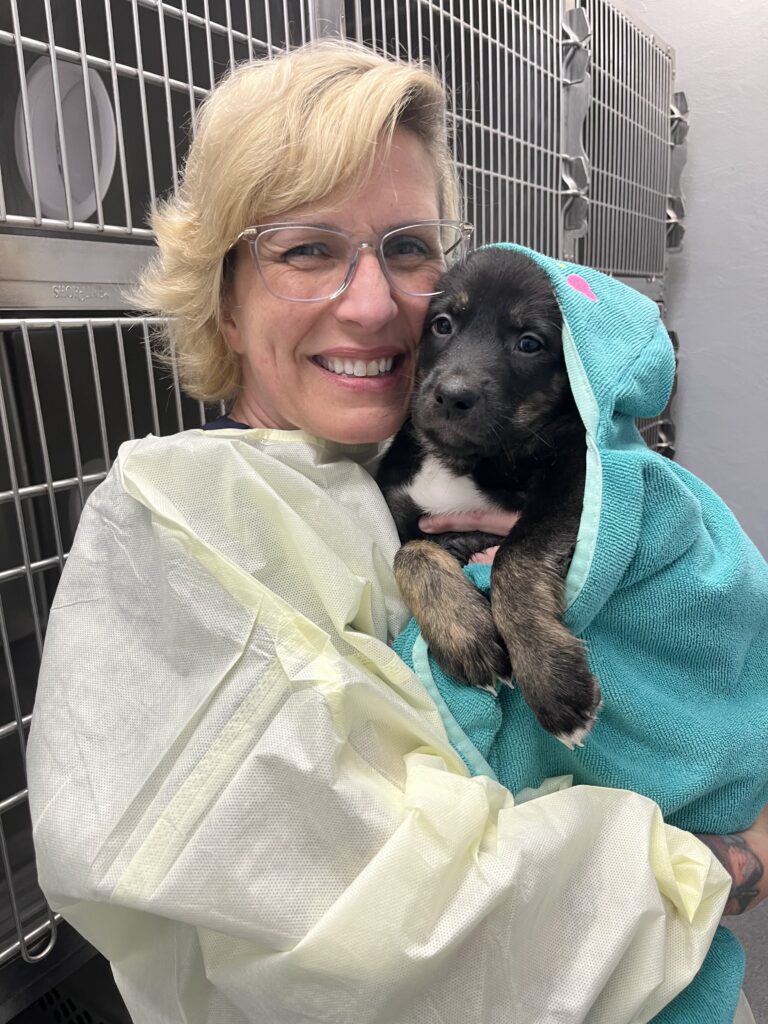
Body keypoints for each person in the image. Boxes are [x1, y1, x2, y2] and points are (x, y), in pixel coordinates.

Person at [26, 40, 766, 1024]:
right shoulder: (180, 524)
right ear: (224, 298)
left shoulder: (398, 476)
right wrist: (735, 855)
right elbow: (409, 947)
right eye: (305, 250)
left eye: (408, 248)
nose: (375, 304)